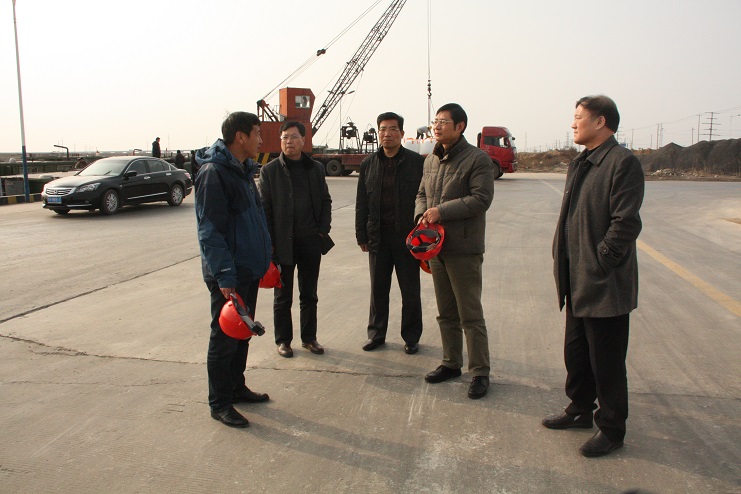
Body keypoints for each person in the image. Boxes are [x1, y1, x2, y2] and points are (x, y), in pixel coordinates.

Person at [543, 95, 645, 457]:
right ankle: (580, 409)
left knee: (607, 362)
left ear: (600, 121)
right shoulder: (581, 162)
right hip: (577, 279)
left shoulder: (622, 162)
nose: (573, 124)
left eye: (578, 117)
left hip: (603, 283)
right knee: (577, 354)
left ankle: (612, 428)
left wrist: (601, 262)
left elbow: (626, 222)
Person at [194, 112, 272, 428]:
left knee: (242, 335)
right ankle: (220, 403)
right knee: (224, 338)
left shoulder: (242, 170)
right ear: (240, 137)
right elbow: (210, 230)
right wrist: (225, 274)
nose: (260, 140)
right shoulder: (214, 173)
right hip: (229, 274)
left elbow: (255, 218)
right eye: (257, 133)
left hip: (247, 269)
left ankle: (237, 388)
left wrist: (265, 256)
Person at [415, 103, 494, 400]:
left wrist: (441, 212)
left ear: (460, 126)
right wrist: (421, 215)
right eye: (435, 121)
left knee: (469, 313)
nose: (436, 126)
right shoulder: (431, 160)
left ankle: (480, 372)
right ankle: (451, 363)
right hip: (436, 248)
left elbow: (481, 199)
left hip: (464, 247)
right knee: (446, 312)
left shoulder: (477, 159)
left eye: (443, 122)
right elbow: (422, 193)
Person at [258, 121, 332, 358]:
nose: (288, 141)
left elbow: (325, 201)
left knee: (309, 294)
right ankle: (283, 341)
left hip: (310, 242)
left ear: (303, 140)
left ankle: (309, 338)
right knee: (283, 296)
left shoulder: (315, 169)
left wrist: (322, 230)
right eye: (284, 137)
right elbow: (264, 209)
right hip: (283, 244)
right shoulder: (269, 171)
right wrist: (270, 242)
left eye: (293, 137)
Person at [356, 112, 424, 354]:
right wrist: (361, 235)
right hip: (378, 237)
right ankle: (376, 335)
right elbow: (362, 202)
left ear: (402, 134)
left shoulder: (416, 163)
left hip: (407, 237)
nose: (387, 134)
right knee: (378, 290)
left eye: (393, 129)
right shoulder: (368, 164)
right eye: (382, 129)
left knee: (410, 291)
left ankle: (411, 337)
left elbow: (424, 197)